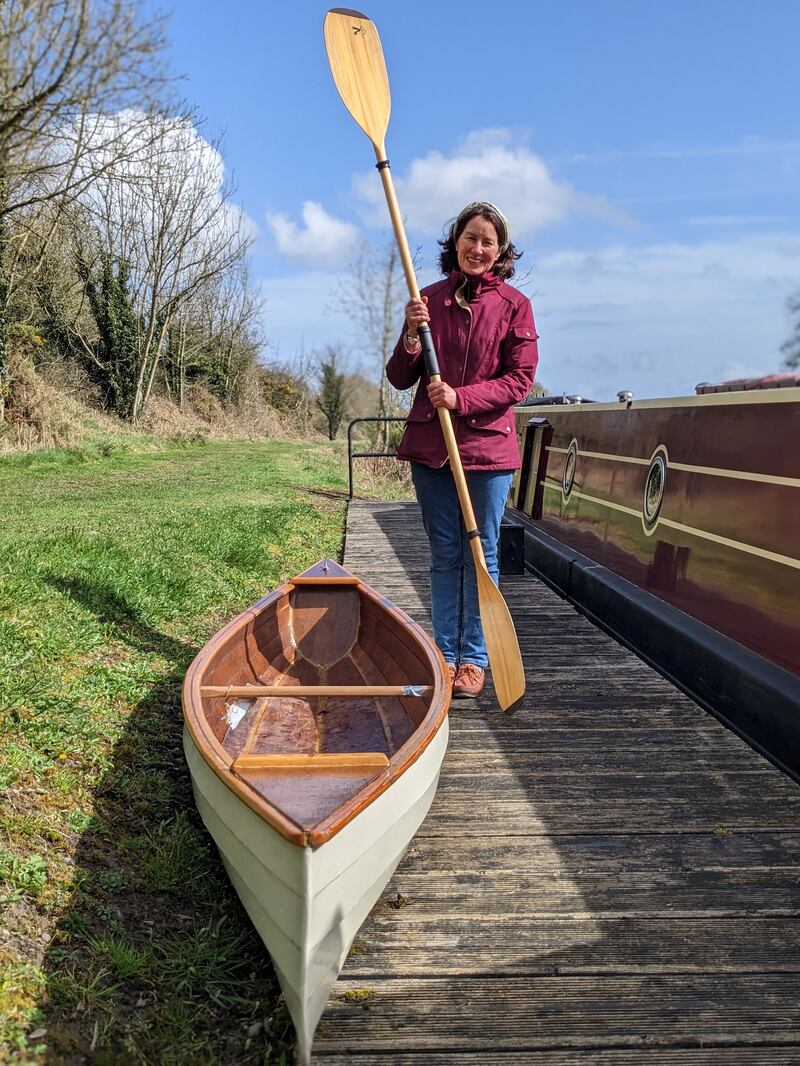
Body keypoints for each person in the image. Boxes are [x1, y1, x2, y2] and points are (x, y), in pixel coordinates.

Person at [386, 201, 539, 699]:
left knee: (481, 553)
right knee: (444, 552)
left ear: (501, 251)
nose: (477, 248)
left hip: (488, 450)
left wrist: (461, 398)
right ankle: (444, 655)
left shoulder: (515, 306)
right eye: (470, 238)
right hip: (434, 449)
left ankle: (474, 658)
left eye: (487, 242)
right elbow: (399, 377)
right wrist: (411, 336)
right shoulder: (426, 300)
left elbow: (520, 380)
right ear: (455, 243)